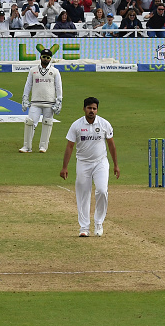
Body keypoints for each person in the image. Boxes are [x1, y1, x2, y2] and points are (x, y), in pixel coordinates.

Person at [60, 97, 120, 238]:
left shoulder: (104, 124)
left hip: (101, 162)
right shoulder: (76, 125)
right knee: (83, 194)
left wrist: (116, 165)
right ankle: (84, 227)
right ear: (84, 109)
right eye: (89, 108)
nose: (91, 111)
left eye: (94, 108)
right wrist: (64, 167)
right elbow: (69, 146)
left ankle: (98, 223)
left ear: (97, 110)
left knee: (102, 190)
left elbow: (111, 145)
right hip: (83, 163)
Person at [19, 48, 62, 153]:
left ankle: (43, 146)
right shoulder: (33, 70)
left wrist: (59, 101)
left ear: (50, 59)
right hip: (35, 102)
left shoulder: (55, 71)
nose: (45, 59)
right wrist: (25, 98)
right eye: (44, 57)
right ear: (40, 57)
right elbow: (28, 85)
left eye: (48, 57)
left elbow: (58, 87)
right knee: (30, 122)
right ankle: (27, 147)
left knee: (47, 123)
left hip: (49, 102)